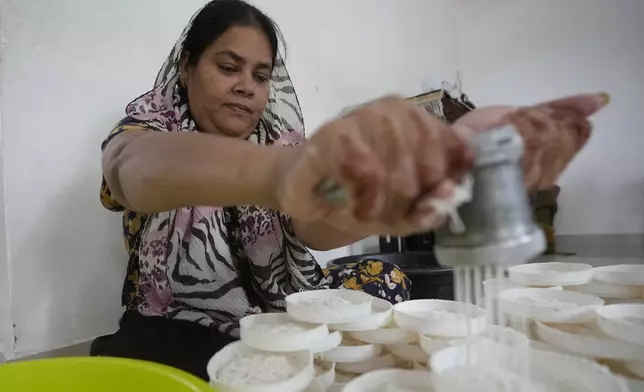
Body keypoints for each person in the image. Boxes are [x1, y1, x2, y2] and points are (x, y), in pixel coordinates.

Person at [93, 0, 609, 380]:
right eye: (227, 68)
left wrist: (387, 197)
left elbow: (315, 226)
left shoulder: (283, 142)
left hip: (279, 303)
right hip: (182, 322)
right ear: (187, 68)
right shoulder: (148, 131)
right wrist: (280, 176)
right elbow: (132, 172)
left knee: (385, 277)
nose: (246, 86)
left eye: (260, 74)